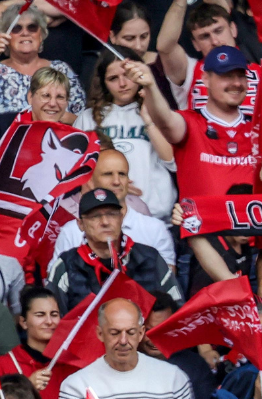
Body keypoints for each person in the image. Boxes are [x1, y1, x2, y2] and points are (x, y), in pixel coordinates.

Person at [137, 47, 262, 197]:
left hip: (250, 212)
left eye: (241, 76)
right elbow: (165, 121)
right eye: (227, 76)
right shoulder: (190, 122)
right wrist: (150, 86)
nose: (237, 83)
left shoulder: (258, 128)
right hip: (202, 213)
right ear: (205, 79)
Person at [76, 50, 177, 220]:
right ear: (103, 83)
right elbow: (77, 171)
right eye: (113, 78)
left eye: (127, 75)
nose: (122, 84)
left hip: (155, 215)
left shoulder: (159, 112)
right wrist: (112, 186)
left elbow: (173, 162)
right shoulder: (87, 118)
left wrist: (148, 119)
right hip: (103, 213)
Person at [45, 188, 176, 311]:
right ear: (81, 224)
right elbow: (51, 316)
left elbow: (176, 308)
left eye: (111, 214)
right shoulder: (66, 264)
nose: (105, 222)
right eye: (95, 216)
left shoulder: (150, 258)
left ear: (121, 218)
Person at [48, 150, 178, 272]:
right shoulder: (71, 232)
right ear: (90, 180)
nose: (117, 181)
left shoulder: (155, 229)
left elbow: (167, 282)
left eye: (122, 174)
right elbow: (56, 281)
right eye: (108, 174)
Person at [0, 8, 85, 137]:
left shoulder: (61, 69)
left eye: (32, 27)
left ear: (41, 35)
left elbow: (82, 118)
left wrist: (60, 117)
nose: (25, 33)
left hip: (55, 141)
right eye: (17, 28)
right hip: (4, 143)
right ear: (5, 36)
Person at [55, 299, 192, 399]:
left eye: (131, 332)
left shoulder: (173, 378)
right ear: (100, 333)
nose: (123, 341)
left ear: (141, 333)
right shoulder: (76, 386)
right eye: (115, 333)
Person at [0, 288, 60, 390]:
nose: (49, 321)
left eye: (54, 314)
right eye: (40, 315)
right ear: (23, 322)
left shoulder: (69, 363)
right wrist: (27, 389)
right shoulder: (3, 364)